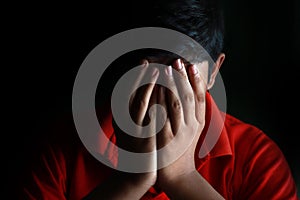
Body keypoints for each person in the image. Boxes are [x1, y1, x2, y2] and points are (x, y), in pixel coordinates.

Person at [19, 0, 299, 199]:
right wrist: (132, 179)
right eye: (146, 67)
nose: (161, 85)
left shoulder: (257, 158)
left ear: (213, 72)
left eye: (181, 69)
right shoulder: (62, 148)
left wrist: (182, 177)